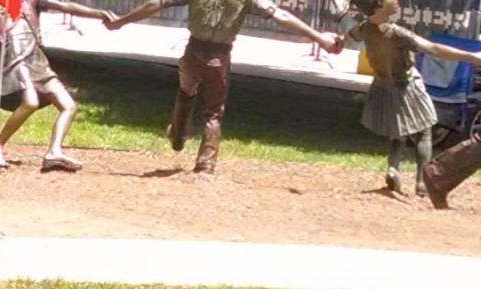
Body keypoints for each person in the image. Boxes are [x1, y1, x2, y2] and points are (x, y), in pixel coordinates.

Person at [109, 0, 343, 173]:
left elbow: (156, 4)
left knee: (186, 91)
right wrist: (319, 38)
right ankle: (205, 164)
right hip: (219, 57)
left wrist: (121, 21)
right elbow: (281, 16)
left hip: (193, 51)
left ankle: (178, 135)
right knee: (214, 111)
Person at [339, 0, 481, 196]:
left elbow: (349, 35)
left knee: (398, 130)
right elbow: (434, 49)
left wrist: (338, 41)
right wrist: (472, 56)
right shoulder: (397, 34)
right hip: (406, 85)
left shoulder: (366, 28)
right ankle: (422, 181)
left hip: (382, 85)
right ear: (379, 6)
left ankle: (394, 167)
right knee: (424, 131)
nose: (397, 2)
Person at [0, 0, 119, 170]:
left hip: (37, 59)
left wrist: (99, 14)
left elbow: (65, 6)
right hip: (16, 60)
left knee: (69, 106)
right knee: (30, 102)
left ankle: (54, 152)